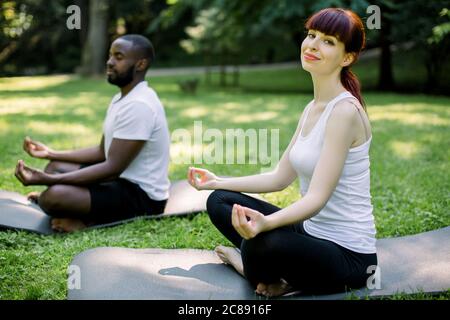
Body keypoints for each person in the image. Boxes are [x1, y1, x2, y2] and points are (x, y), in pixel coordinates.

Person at [187, 8, 377, 297]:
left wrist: (267, 224)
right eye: (311, 35)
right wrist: (217, 181)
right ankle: (269, 270)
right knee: (220, 201)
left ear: (347, 57)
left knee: (261, 241)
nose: (312, 44)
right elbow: (278, 178)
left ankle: (249, 265)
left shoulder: (344, 112)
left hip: (349, 256)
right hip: (309, 232)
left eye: (328, 41)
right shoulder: (312, 108)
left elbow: (316, 198)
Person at [15, 34, 170, 233]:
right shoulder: (122, 98)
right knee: (55, 166)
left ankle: (86, 222)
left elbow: (112, 167)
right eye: (110, 55)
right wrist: (51, 153)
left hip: (143, 198)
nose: (110, 62)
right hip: (120, 180)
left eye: (119, 57)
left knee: (53, 197)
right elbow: (101, 152)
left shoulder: (139, 105)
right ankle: (74, 208)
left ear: (140, 64)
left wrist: (47, 179)